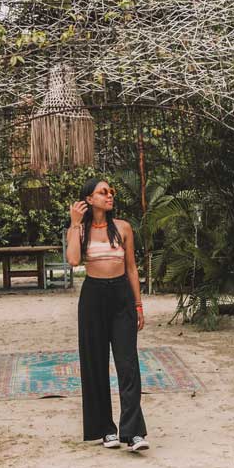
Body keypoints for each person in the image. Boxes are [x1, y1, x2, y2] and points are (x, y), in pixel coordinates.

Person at [67, 177, 149, 451]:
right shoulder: (79, 229)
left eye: (110, 191)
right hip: (93, 298)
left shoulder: (123, 228)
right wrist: (75, 223)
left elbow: (132, 269)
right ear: (89, 199)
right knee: (95, 364)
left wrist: (138, 305)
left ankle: (133, 431)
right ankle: (105, 429)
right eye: (103, 192)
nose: (109, 195)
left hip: (121, 297)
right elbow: (74, 260)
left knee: (127, 364)